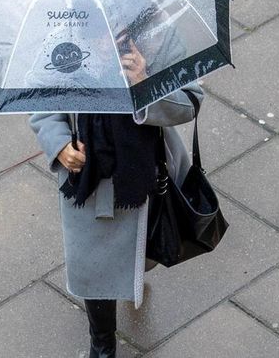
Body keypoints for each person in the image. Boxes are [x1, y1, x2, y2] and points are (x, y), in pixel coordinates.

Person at [28, 29, 203, 358]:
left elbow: (189, 104)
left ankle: (133, 273)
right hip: (88, 182)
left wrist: (145, 85)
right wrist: (60, 143)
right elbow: (41, 100)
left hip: (147, 177)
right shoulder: (60, 34)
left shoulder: (158, 36)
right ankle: (102, 340)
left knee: (141, 252)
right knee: (93, 266)